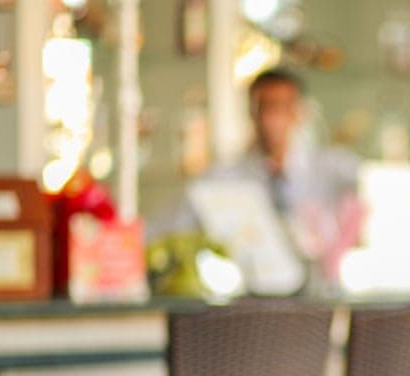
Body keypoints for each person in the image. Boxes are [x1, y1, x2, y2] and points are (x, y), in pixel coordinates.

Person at [153, 68, 362, 288]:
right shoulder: (222, 178)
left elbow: (374, 193)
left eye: (280, 107)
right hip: (248, 298)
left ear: (298, 113)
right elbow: (166, 229)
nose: (270, 119)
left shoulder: (332, 169)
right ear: (251, 113)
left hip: (322, 295)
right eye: (262, 107)